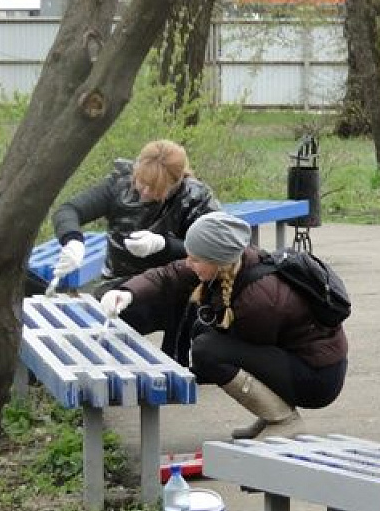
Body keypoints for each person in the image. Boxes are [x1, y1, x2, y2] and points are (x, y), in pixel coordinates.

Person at [100, 212, 347, 439]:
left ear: (217, 260)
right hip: (296, 359)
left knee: (208, 351)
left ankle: (283, 420)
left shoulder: (258, 300)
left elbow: (242, 358)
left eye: (195, 259)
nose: (188, 264)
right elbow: (169, 275)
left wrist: (195, 363)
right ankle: (271, 414)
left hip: (317, 379)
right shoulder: (232, 263)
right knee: (205, 339)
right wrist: (126, 293)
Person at [32, 139, 222, 353]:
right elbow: (69, 210)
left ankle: (177, 366)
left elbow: (217, 249)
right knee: (100, 322)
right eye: (141, 183)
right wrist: (73, 240)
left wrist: (163, 244)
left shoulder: (195, 198)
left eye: (155, 189)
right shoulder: (119, 184)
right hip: (120, 284)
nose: (145, 192)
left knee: (190, 311)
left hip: (175, 288)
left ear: (175, 183)